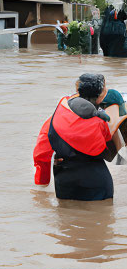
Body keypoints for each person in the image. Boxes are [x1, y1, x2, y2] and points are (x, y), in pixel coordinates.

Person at [33, 72, 122, 201]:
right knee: (101, 218)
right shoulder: (101, 121)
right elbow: (111, 154)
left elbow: (42, 149)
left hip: (64, 181)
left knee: (65, 218)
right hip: (96, 181)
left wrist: (42, 181)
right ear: (101, 95)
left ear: (77, 89)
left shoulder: (60, 111)